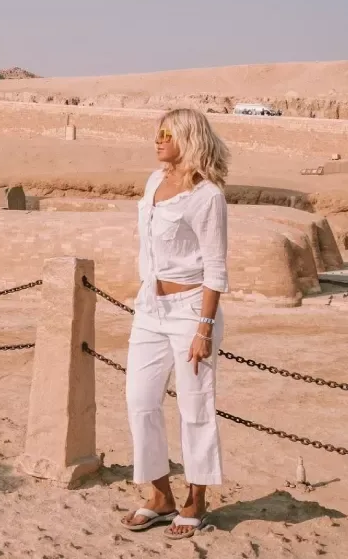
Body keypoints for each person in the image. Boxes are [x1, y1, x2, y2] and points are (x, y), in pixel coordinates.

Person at [123, 107, 230, 540]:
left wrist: (204, 327)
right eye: (156, 133)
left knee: (195, 408)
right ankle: (160, 495)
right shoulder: (153, 183)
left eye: (166, 133)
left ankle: (196, 501)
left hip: (190, 311)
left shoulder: (208, 197)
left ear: (189, 138)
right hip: (150, 308)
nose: (158, 140)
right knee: (140, 401)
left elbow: (216, 268)